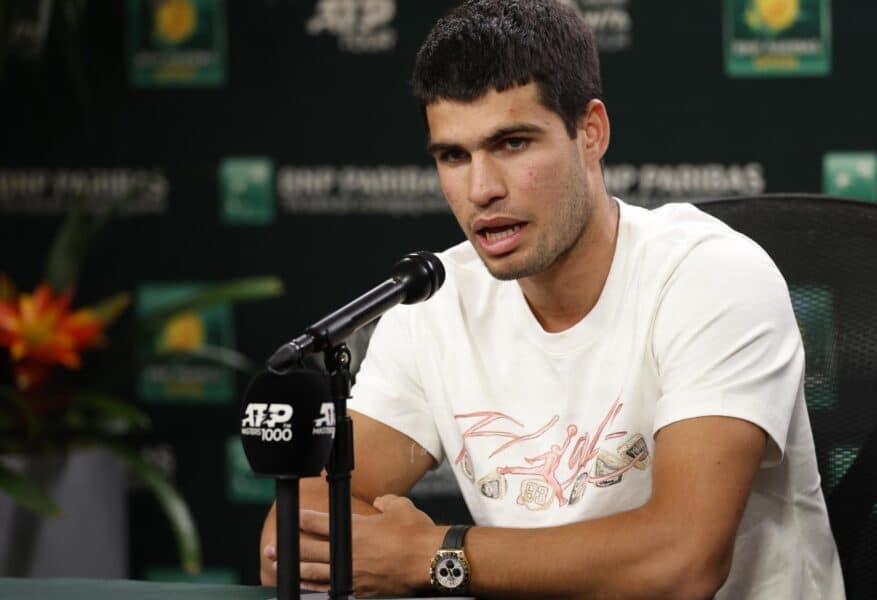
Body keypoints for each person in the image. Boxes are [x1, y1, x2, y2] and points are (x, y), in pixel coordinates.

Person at [260, 1, 846, 597]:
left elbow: (681, 561)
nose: (482, 189)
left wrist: (431, 556)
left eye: (513, 143)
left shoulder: (709, 275)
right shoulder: (437, 301)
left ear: (591, 132)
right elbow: (296, 524)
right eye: (453, 156)